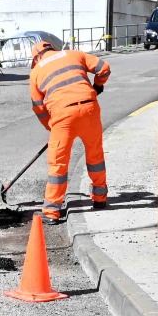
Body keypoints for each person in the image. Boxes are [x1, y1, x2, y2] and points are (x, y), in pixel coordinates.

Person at [27, 40, 111, 225]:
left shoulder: (36, 72)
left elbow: (38, 107)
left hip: (62, 115)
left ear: (36, 57)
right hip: (89, 108)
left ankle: (52, 211)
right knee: (95, 154)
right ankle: (99, 198)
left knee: (58, 163)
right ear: (52, 49)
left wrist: (51, 126)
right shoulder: (74, 54)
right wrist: (97, 87)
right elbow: (104, 68)